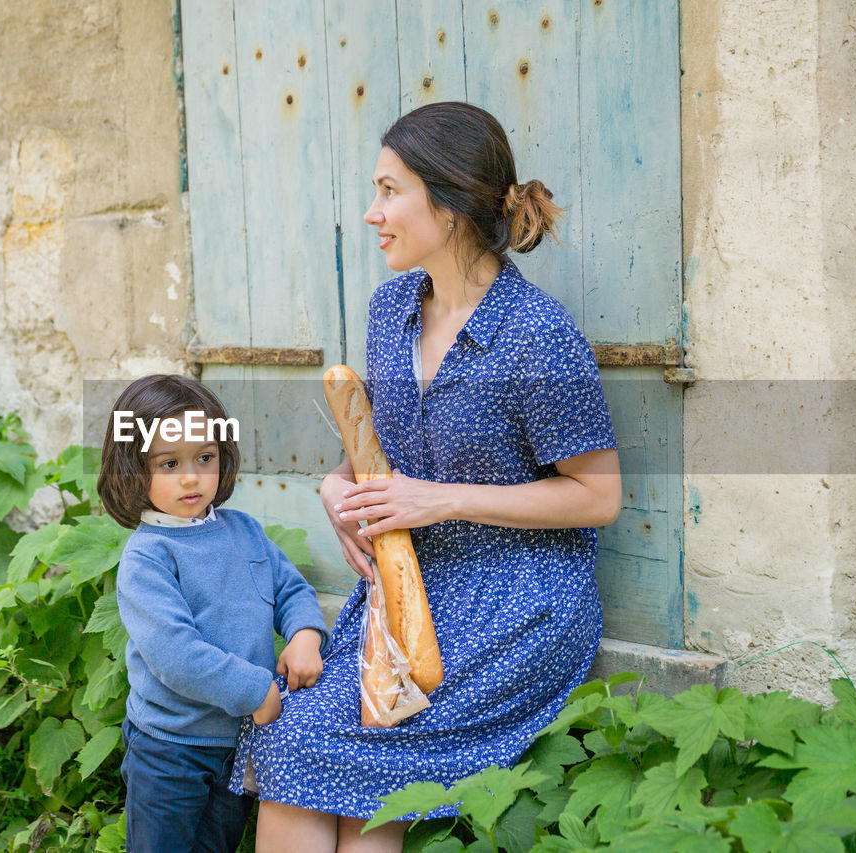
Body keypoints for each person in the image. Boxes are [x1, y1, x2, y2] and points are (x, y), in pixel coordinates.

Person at [229, 102, 622, 852]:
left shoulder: (538, 334)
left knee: (368, 750)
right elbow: (382, 443)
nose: (373, 213)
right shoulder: (391, 308)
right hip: (410, 583)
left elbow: (599, 496)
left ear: (447, 205)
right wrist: (337, 485)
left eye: (388, 190)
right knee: (294, 730)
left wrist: (439, 500)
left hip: (517, 599)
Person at [96, 374, 330, 853]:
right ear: (132, 468)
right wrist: (254, 690)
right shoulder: (148, 557)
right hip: (170, 746)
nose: (191, 476)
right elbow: (176, 655)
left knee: (216, 845)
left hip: (238, 739)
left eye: (204, 457)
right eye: (168, 463)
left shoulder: (242, 530)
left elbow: (291, 589)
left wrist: (305, 632)